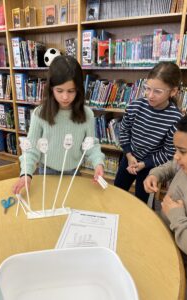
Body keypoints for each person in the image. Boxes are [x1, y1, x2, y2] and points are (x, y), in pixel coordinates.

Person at [13, 55, 105, 194]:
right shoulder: (40, 114)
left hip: (74, 171)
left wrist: (98, 163)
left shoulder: (87, 115)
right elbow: (31, 149)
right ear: (51, 89)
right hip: (46, 171)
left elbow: (91, 145)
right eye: (59, 91)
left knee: (70, 204)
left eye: (71, 91)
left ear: (78, 90)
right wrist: (26, 174)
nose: (65, 97)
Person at [114, 62, 183, 202]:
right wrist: (128, 154)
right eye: (147, 89)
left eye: (157, 91)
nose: (150, 95)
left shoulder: (175, 119)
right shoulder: (135, 106)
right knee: (117, 191)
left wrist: (145, 164)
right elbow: (124, 131)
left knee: (142, 199)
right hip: (128, 159)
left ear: (173, 91)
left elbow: (168, 152)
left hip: (150, 167)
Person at [143, 115, 187, 295]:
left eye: (182, 152)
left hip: (179, 261)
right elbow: (171, 166)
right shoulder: (182, 165)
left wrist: (176, 216)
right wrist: (155, 174)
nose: (176, 156)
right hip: (163, 235)